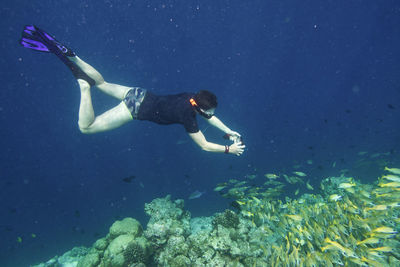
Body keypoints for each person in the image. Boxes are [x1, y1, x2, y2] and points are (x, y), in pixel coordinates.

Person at [20, 25, 245, 156]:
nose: (209, 116)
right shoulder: (188, 118)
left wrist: (229, 130)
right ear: (200, 108)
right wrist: (229, 149)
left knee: (103, 84)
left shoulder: (191, 98)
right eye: (209, 112)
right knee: (85, 128)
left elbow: (210, 117)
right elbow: (204, 146)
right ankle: (83, 87)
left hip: (139, 93)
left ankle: (75, 57)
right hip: (134, 108)